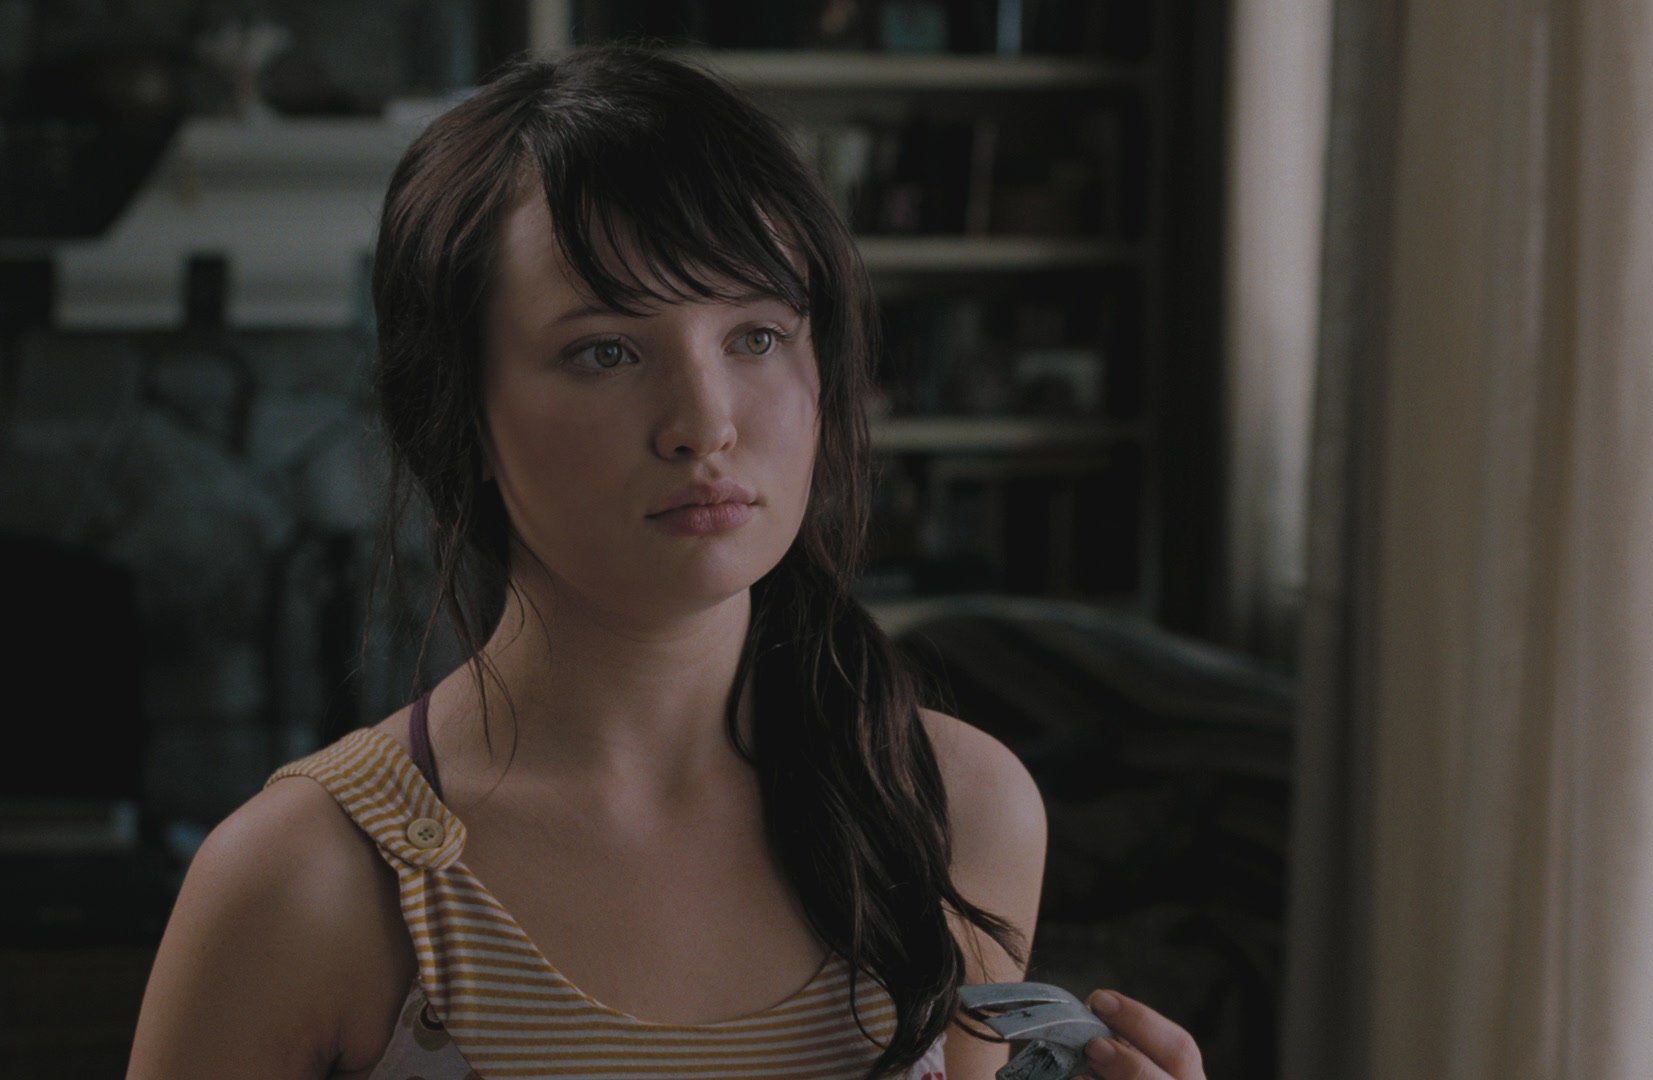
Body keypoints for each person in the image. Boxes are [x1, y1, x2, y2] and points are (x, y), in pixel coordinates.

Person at [126, 40, 1205, 1080]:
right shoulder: (306, 880)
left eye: (757, 336)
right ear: (457, 412)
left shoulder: (955, 812)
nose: (703, 424)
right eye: (605, 351)